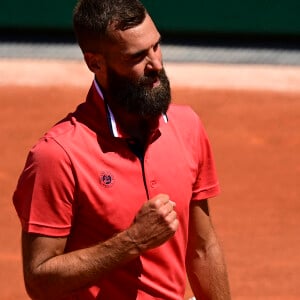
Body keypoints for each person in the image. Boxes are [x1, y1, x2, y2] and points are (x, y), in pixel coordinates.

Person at [13, 0, 231, 299]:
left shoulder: (187, 126)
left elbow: (203, 247)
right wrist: (132, 241)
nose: (155, 64)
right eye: (137, 56)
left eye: (156, 46)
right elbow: (39, 279)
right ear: (95, 63)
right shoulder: (57, 155)